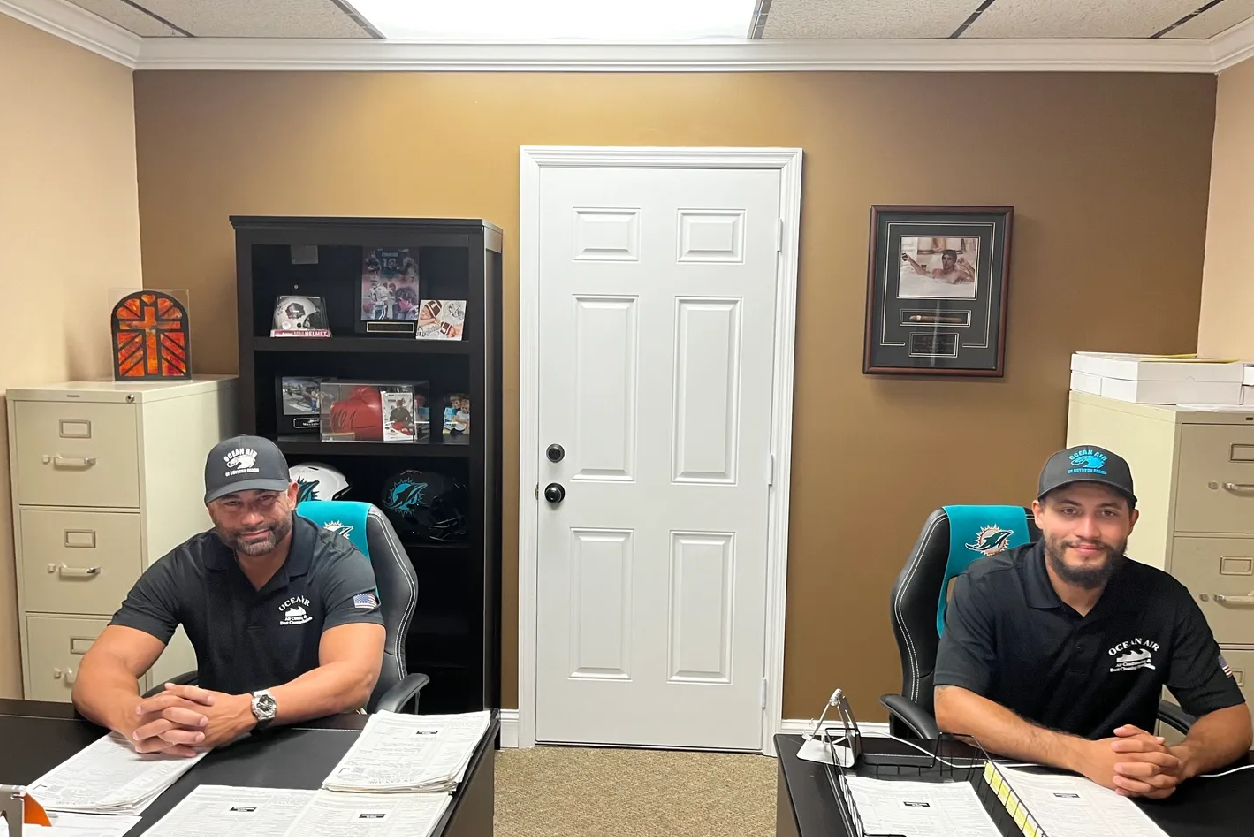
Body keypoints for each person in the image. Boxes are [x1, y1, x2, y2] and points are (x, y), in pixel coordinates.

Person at [934, 445, 1251, 798]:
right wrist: (1083, 756)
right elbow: (952, 705)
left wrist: (1180, 760)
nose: (1088, 530)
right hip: (1002, 778)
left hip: (1121, 792)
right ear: (1040, 515)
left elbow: (1232, 718)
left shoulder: (1164, 598)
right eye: (1069, 511)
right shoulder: (987, 585)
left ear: (1131, 520)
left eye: (1107, 513)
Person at [71, 435, 385, 758]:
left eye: (265, 498)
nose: (251, 519)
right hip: (221, 742)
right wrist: (138, 719)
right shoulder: (186, 567)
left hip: (321, 734)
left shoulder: (338, 562)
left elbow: (354, 677)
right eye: (232, 503)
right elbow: (100, 668)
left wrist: (250, 710)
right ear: (211, 510)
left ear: (292, 496)